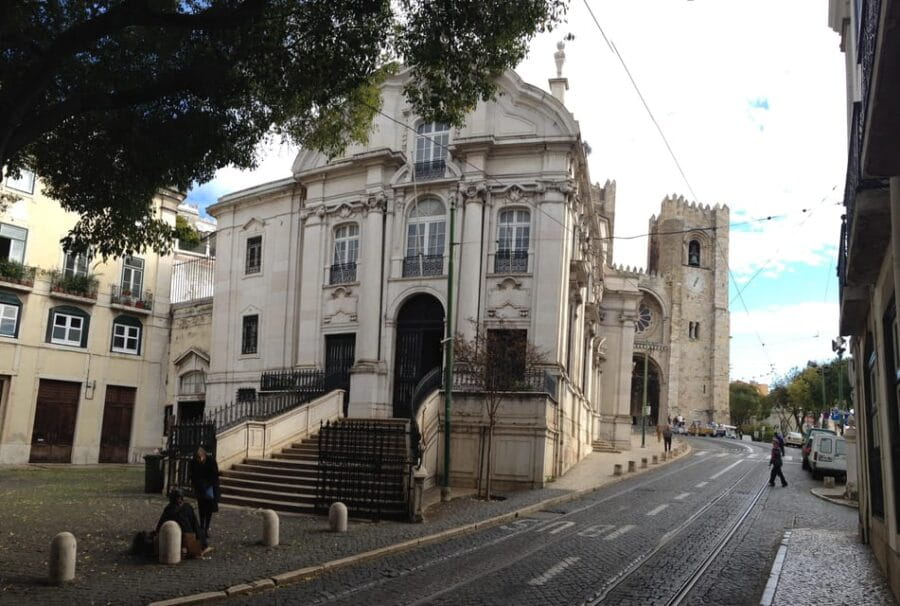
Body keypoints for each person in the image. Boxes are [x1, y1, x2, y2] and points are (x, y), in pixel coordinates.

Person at [156, 488, 208, 557]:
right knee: (200, 532)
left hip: (174, 539)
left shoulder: (168, 509)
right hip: (187, 537)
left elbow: (159, 526)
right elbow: (195, 525)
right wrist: (201, 542)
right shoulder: (187, 507)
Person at [190, 446, 220, 536]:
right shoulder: (193, 462)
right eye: (197, 458)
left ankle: (206, 528)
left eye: (200, 457)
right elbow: (192, 475)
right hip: (200, 488)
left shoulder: (211, 461)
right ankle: (202, 527)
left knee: (209, 509)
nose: (199, 459)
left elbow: (215, 475)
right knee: (201, 508)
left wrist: (207, 484)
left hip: (209, 488)